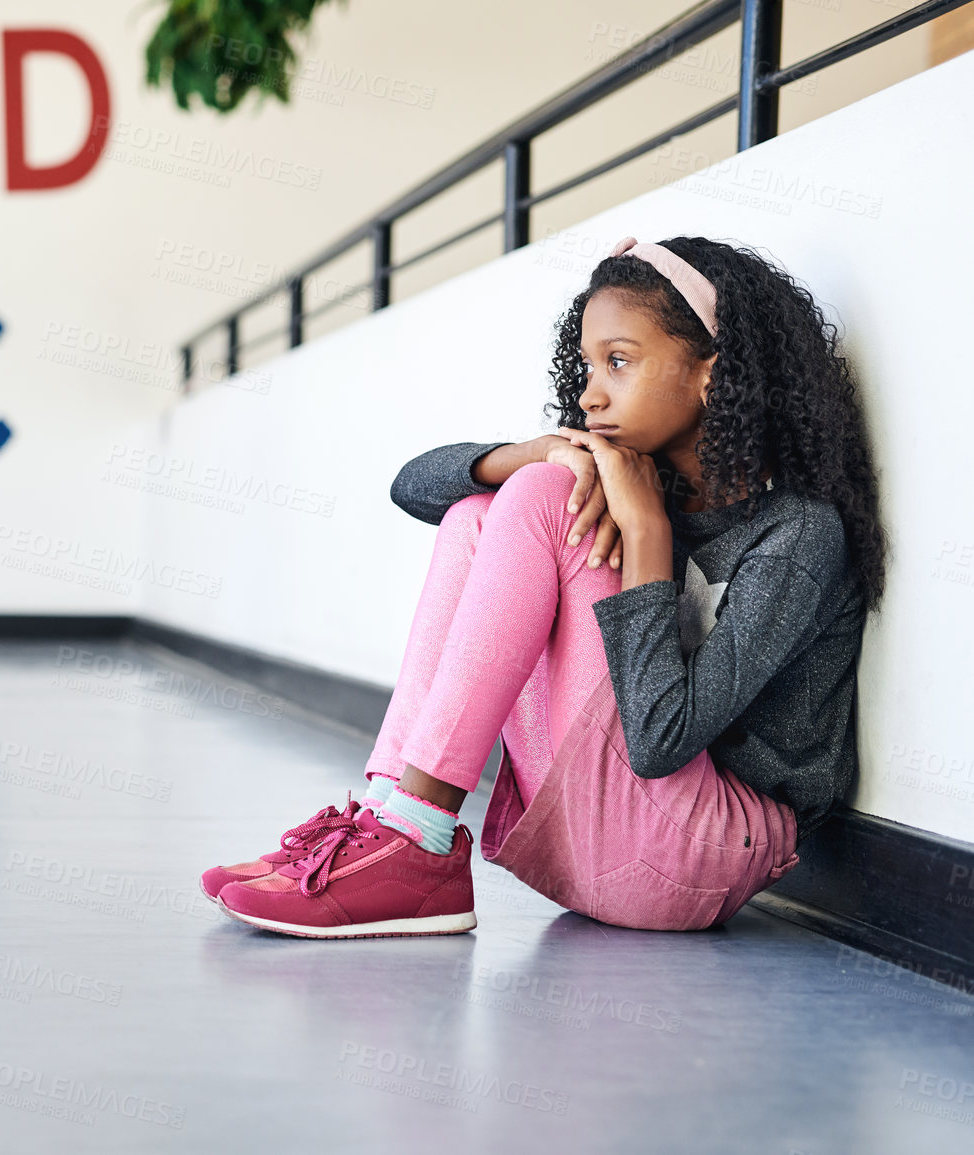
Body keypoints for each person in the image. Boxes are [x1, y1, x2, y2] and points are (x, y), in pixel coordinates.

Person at [202, 235, 886, 938]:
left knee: (537, 495)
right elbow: (412, 486)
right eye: (587, 364)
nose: (590, 394)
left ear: (712, 375)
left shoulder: (797, 534)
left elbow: (659, 742)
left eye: (618, 362)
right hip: (596, 834)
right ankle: (392, 821)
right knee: (479, 507)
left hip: (694, 854)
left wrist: (646, 534)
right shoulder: (628, 480)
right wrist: (538, 450)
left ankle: (415, 839)